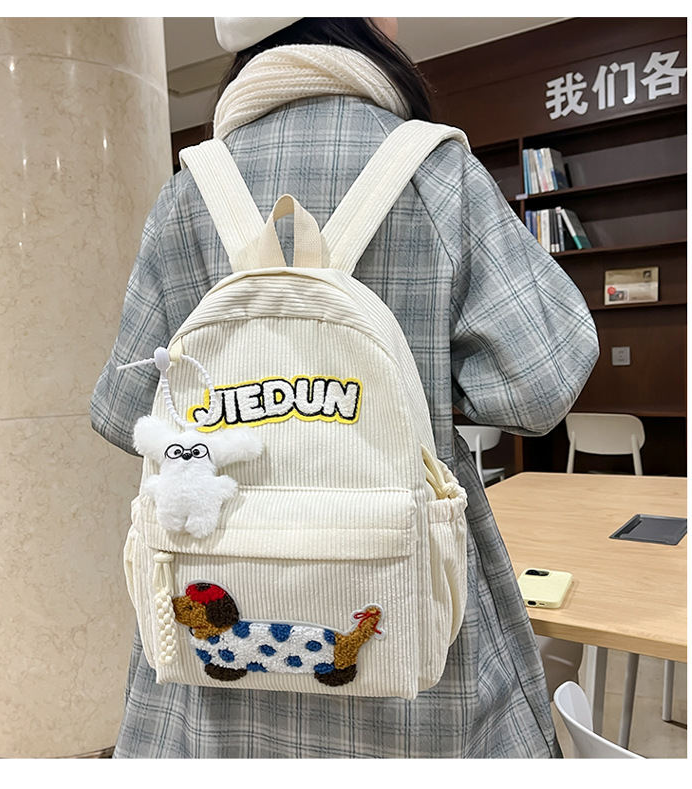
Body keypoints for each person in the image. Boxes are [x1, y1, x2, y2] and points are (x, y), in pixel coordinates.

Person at [91, 17, 599, 758]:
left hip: (211, 683)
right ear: (369, 20)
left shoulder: (186, 195)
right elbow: (540, 386)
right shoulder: (437, 174)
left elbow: (121, 412)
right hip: (416, 671)